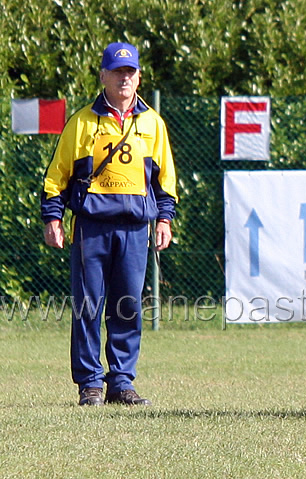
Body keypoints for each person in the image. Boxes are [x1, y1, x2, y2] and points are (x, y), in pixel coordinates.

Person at [41, 42, 178, 406]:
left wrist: (165, 217)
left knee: (128, 306)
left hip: (135, 228)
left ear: (138, 77)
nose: (124, 78)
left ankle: (122, 382)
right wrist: (53, 217)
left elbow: (165, 179)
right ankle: (90, 384)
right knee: (88, 306)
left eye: (130, 72)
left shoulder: (152, 123)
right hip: (92, 227)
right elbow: (56, 175)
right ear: (103, 75)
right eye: (117, 72)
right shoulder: (82, 122)